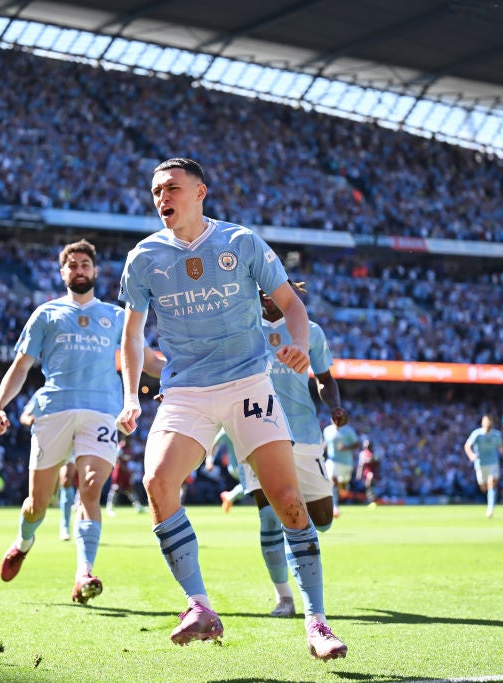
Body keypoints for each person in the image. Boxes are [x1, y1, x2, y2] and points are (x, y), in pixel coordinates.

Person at [115, 158, 347, 660]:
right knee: (157, 483)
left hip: (248, 382)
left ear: (201, 193)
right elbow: (131, 336)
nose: (161, 198)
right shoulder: (143, 257)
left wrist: (301, 347)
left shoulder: (241, 243)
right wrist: (131, 394)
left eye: (172, 188)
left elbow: (293, 305)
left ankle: (317, 623)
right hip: (186, 391)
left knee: (288, 500)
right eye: (156, 191)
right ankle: (199, 607)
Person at [0, 239, 160, 605]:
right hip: (53, 411)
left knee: (91, 486)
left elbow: (146, 359)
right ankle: (23, 542)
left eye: (85, 264)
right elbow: (21, 367)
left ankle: (84, 572)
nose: (79, 270)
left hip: (102, 411)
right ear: (62, 272)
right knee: (37, 503)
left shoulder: (115, 315)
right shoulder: (45, 314)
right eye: (73, 265)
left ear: (95, 271)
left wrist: (186, 374)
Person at [237, 282, 350, 618]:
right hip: (255, 429)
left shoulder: (308, 330)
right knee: (271, 518)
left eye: (274, 288)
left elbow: (325, 378)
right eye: (262, 290)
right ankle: (284, 598)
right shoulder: (242, 328)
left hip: (304, 432)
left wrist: (335, 406)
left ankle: (299, 549)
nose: (268, 294)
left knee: (323, 520)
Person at [20, 396, 76, 540]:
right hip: (48, 444)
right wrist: (31, 420)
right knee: (41, 500)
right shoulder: (42, 395)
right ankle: (24, 537)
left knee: (67, 479)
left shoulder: (73, 392)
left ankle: (64, 526)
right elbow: (24, 416)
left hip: (70, 443)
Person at [463, 414, 503, 518]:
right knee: (484, 487)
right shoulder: (477, 434)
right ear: (482, 423)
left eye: (489, 421)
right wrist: (471, 455)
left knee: (492, 484)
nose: (488, 423)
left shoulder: (496, 435)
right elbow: (467, 446)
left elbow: (501, 447)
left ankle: (490, 508)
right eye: (486, 421)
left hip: (493, 463)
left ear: (492, 422)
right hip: (481, 464)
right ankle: (489, 500)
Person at [323, 420, 361, 518]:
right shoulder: (327, 430)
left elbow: (357, 444)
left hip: (345, 463)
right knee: (332, 481)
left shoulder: (348, 431)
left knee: (343, 490)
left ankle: (341, 491)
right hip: (332, 461)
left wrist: (346, 447)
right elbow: (326, 444)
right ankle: (334, 507)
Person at [205, 428, 245, 512]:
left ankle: (230, 496)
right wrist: (209, 461)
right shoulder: (226, 430)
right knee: (252, 484)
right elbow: (214, 443)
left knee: (252, 485)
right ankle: (230, 496)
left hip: (244, 466)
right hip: (236, 467)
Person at [356, 438, 380, 508]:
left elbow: (377, 462)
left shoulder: (374, 452)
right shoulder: (362, 453)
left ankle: (373, 500)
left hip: (372, 472)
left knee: (369, 484)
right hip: (365, 472)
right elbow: (361, 464)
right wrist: (359, 474)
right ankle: (372, 500)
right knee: (368, 487)